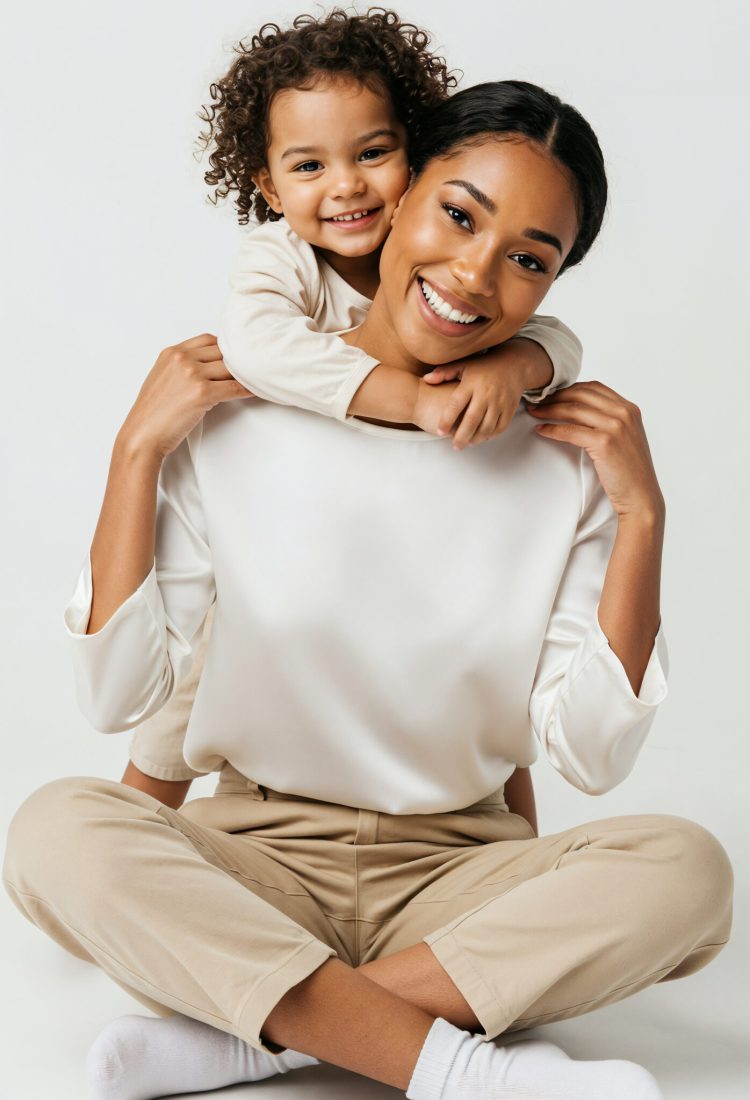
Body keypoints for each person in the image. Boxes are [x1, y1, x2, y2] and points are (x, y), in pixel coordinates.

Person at [3, 80, 733, 1100]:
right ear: (397, 202)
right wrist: (135, 453)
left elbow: (593, 755)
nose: (476, 272)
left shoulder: (565, 461)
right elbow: (118, 698)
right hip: (253, 862)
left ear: (551, 286)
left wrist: (644, 517)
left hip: (458, 877)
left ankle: (261, 1037)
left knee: (689, 871)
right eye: (459, 213)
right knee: (50, 829)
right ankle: (452, 1066)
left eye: (530, 257)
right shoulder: (236, 415)